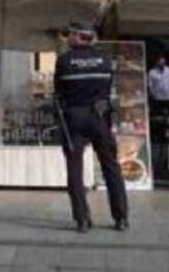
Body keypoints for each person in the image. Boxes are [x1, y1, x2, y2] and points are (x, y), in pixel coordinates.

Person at [55, 22, 128, 233]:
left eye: (70, 34)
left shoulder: (64, 61)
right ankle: (121, 217)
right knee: (111, 167)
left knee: (75, 170)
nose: (67, 38)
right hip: (100, 116)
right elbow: (108, 88)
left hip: (74, 118)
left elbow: (59, 91)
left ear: (78, 36)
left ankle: (82, 220)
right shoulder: (105, 60)